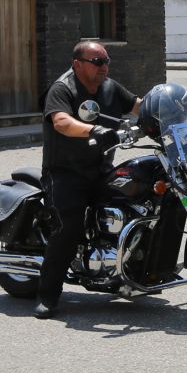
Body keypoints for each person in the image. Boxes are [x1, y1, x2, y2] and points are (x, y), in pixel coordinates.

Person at [35, 41, 140, 319]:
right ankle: (48, 294)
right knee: (68, 227)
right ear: (77, 63)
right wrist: (94, 129)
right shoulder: (63, 88)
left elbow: (139, 106)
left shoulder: (110, 87)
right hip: (65, 173)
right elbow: (61, 122)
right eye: (97, 62)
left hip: (101, 169)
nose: (103, 67)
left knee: (140, 200)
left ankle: (130, 270)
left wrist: (167, 112)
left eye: (106, 61)